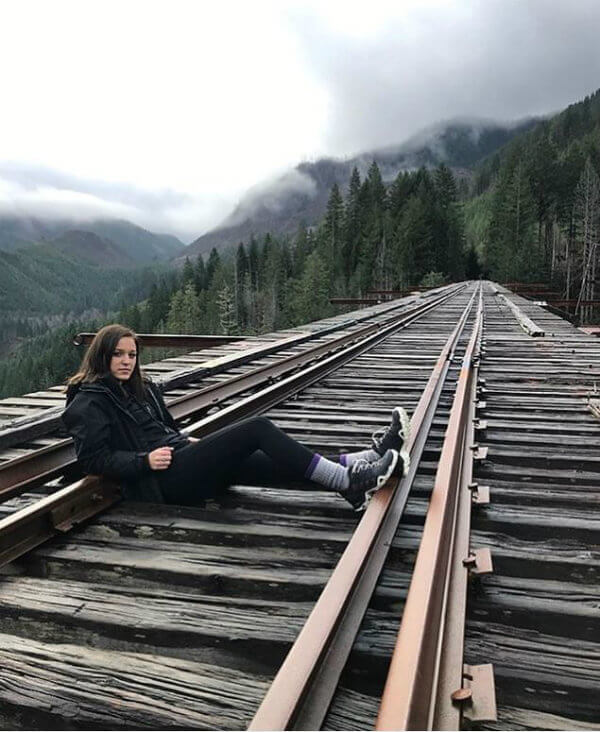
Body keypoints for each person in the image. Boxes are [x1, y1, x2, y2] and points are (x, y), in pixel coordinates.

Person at [62, 324, 411, 512]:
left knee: (268, 460)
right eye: (118, 355)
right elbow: (93, 458)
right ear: (102, 356)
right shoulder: (89, 402)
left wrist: (188, 443)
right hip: (164, 483)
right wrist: (143, 461)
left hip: (182, 461)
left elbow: (166, 431)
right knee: (257, 429)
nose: (126, 361)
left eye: (132, 355)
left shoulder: (143, 388)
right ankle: (346, 481)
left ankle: (365, 463)